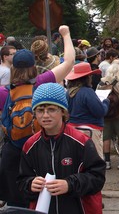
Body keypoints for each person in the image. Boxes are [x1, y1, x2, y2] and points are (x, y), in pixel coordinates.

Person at [0, 25, 75, 208]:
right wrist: (66, 34)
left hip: (12, 155)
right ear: (34, 65)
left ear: (12, 67)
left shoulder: (4, 93)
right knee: (42, 202)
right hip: (39, 150)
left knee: (15, 206)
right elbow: (70, 62)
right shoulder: (42, 82)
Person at [17, 83, 105, 213]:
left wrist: (69, 184)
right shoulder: (30, 145)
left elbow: (97, 178)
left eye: (51, 109)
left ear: (63, 111)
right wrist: (30, 184)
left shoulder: (81, 142)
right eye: (40, 110)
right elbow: (22, 181)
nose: (45, 115)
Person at [66, 62, 109, 160]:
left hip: (72, 130)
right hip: (89, 132)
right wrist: (106, 102)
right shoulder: (87, 92)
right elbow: (100, 111)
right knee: (95, 162)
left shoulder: (69, 93)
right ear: (86, 78)